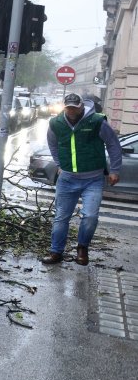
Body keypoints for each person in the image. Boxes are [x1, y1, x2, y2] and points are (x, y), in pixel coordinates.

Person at [41, 93, 122, 266]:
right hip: (67, 179)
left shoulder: (97, 121)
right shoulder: (56, 123)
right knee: (61, 217)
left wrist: (114, 169)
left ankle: (82, 247)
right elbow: (53, 144)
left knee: (90, 216)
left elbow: (113, 144)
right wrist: (59, 164)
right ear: (65, 107)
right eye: (68, 107)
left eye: (74, 107)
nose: (71, 110)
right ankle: (56, 252)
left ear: (81, 107)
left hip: (93, 179)